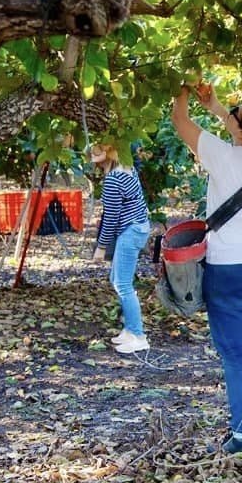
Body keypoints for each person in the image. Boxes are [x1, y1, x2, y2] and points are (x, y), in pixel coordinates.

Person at [170, 82, 242, 454]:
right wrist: (219, 109)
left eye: (234, 114)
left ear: (241, 129)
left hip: (228, 270)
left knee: (235, 355)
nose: (229, 115)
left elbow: (180, 120)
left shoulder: (222, 156)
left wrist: (182, 89)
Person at [91, 144, 152, 354]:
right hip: (137, 227)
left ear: (110, 150)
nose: (93, 150)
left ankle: (138, 335)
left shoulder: (114, 179)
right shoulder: (126, 167)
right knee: (117, 280)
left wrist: (101, 247)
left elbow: (111, 218)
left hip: (131, 230)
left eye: (99, 147)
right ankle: (129, 330)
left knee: (123, 284)